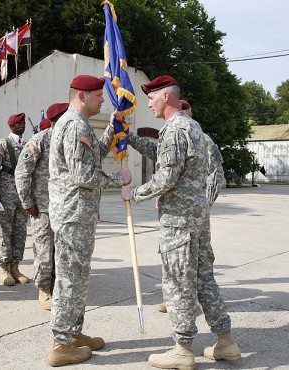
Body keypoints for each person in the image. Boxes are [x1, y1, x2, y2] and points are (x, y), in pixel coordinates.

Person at [121, 76, 240, 369]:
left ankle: (183, 349)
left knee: (178, 283)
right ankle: (226, 342)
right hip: (197, 220)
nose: (148, 103)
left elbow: (165, 177)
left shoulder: (175, 131)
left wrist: (134, 192)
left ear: (166, 97)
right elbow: (164, 157)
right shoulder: (192, 128)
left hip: (179, 223)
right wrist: (131, 139)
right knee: (203, 280)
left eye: (151, 97)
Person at [46, 75, 132, 367]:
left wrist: (112, 128)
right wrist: (116, 179)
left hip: (77, 214)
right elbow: (83, 175)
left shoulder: (78, 125)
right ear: (81, 96)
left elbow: (93, 155)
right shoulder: (73, 125)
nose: (102, 100)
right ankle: (60, 344)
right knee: (71, 279)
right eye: (98, 95)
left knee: (79, 278)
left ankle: (73, 334)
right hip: (72, 215)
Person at [157, 99, 225, 314]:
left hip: (192, 211)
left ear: (188, 113)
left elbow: (215, 173)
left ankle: (187, 305)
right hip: (184, 208)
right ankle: (178, 301)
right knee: (180, 263)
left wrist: (204, 203)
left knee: (190, 263)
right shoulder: (178, 134)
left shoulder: (200, 138)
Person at [14, 103, 68, 311]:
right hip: (43, 206)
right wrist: (28, 203)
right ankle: (44, 289)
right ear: (55, 121)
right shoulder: (39, 140)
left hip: (65, 206)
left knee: (63, 250)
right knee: (45, 250)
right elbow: (22, 173)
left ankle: (59, 285)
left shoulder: (70, 138)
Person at [0, 112, 30, 286]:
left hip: (23, 195)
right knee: (5, 232)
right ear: (11, 126)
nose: (22, 125)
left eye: (23, 123)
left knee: (20, 232)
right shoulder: (2, 145)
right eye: (18, 123)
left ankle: (15, 266)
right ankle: (4, 268)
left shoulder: (29, 145)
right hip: (6, 193)